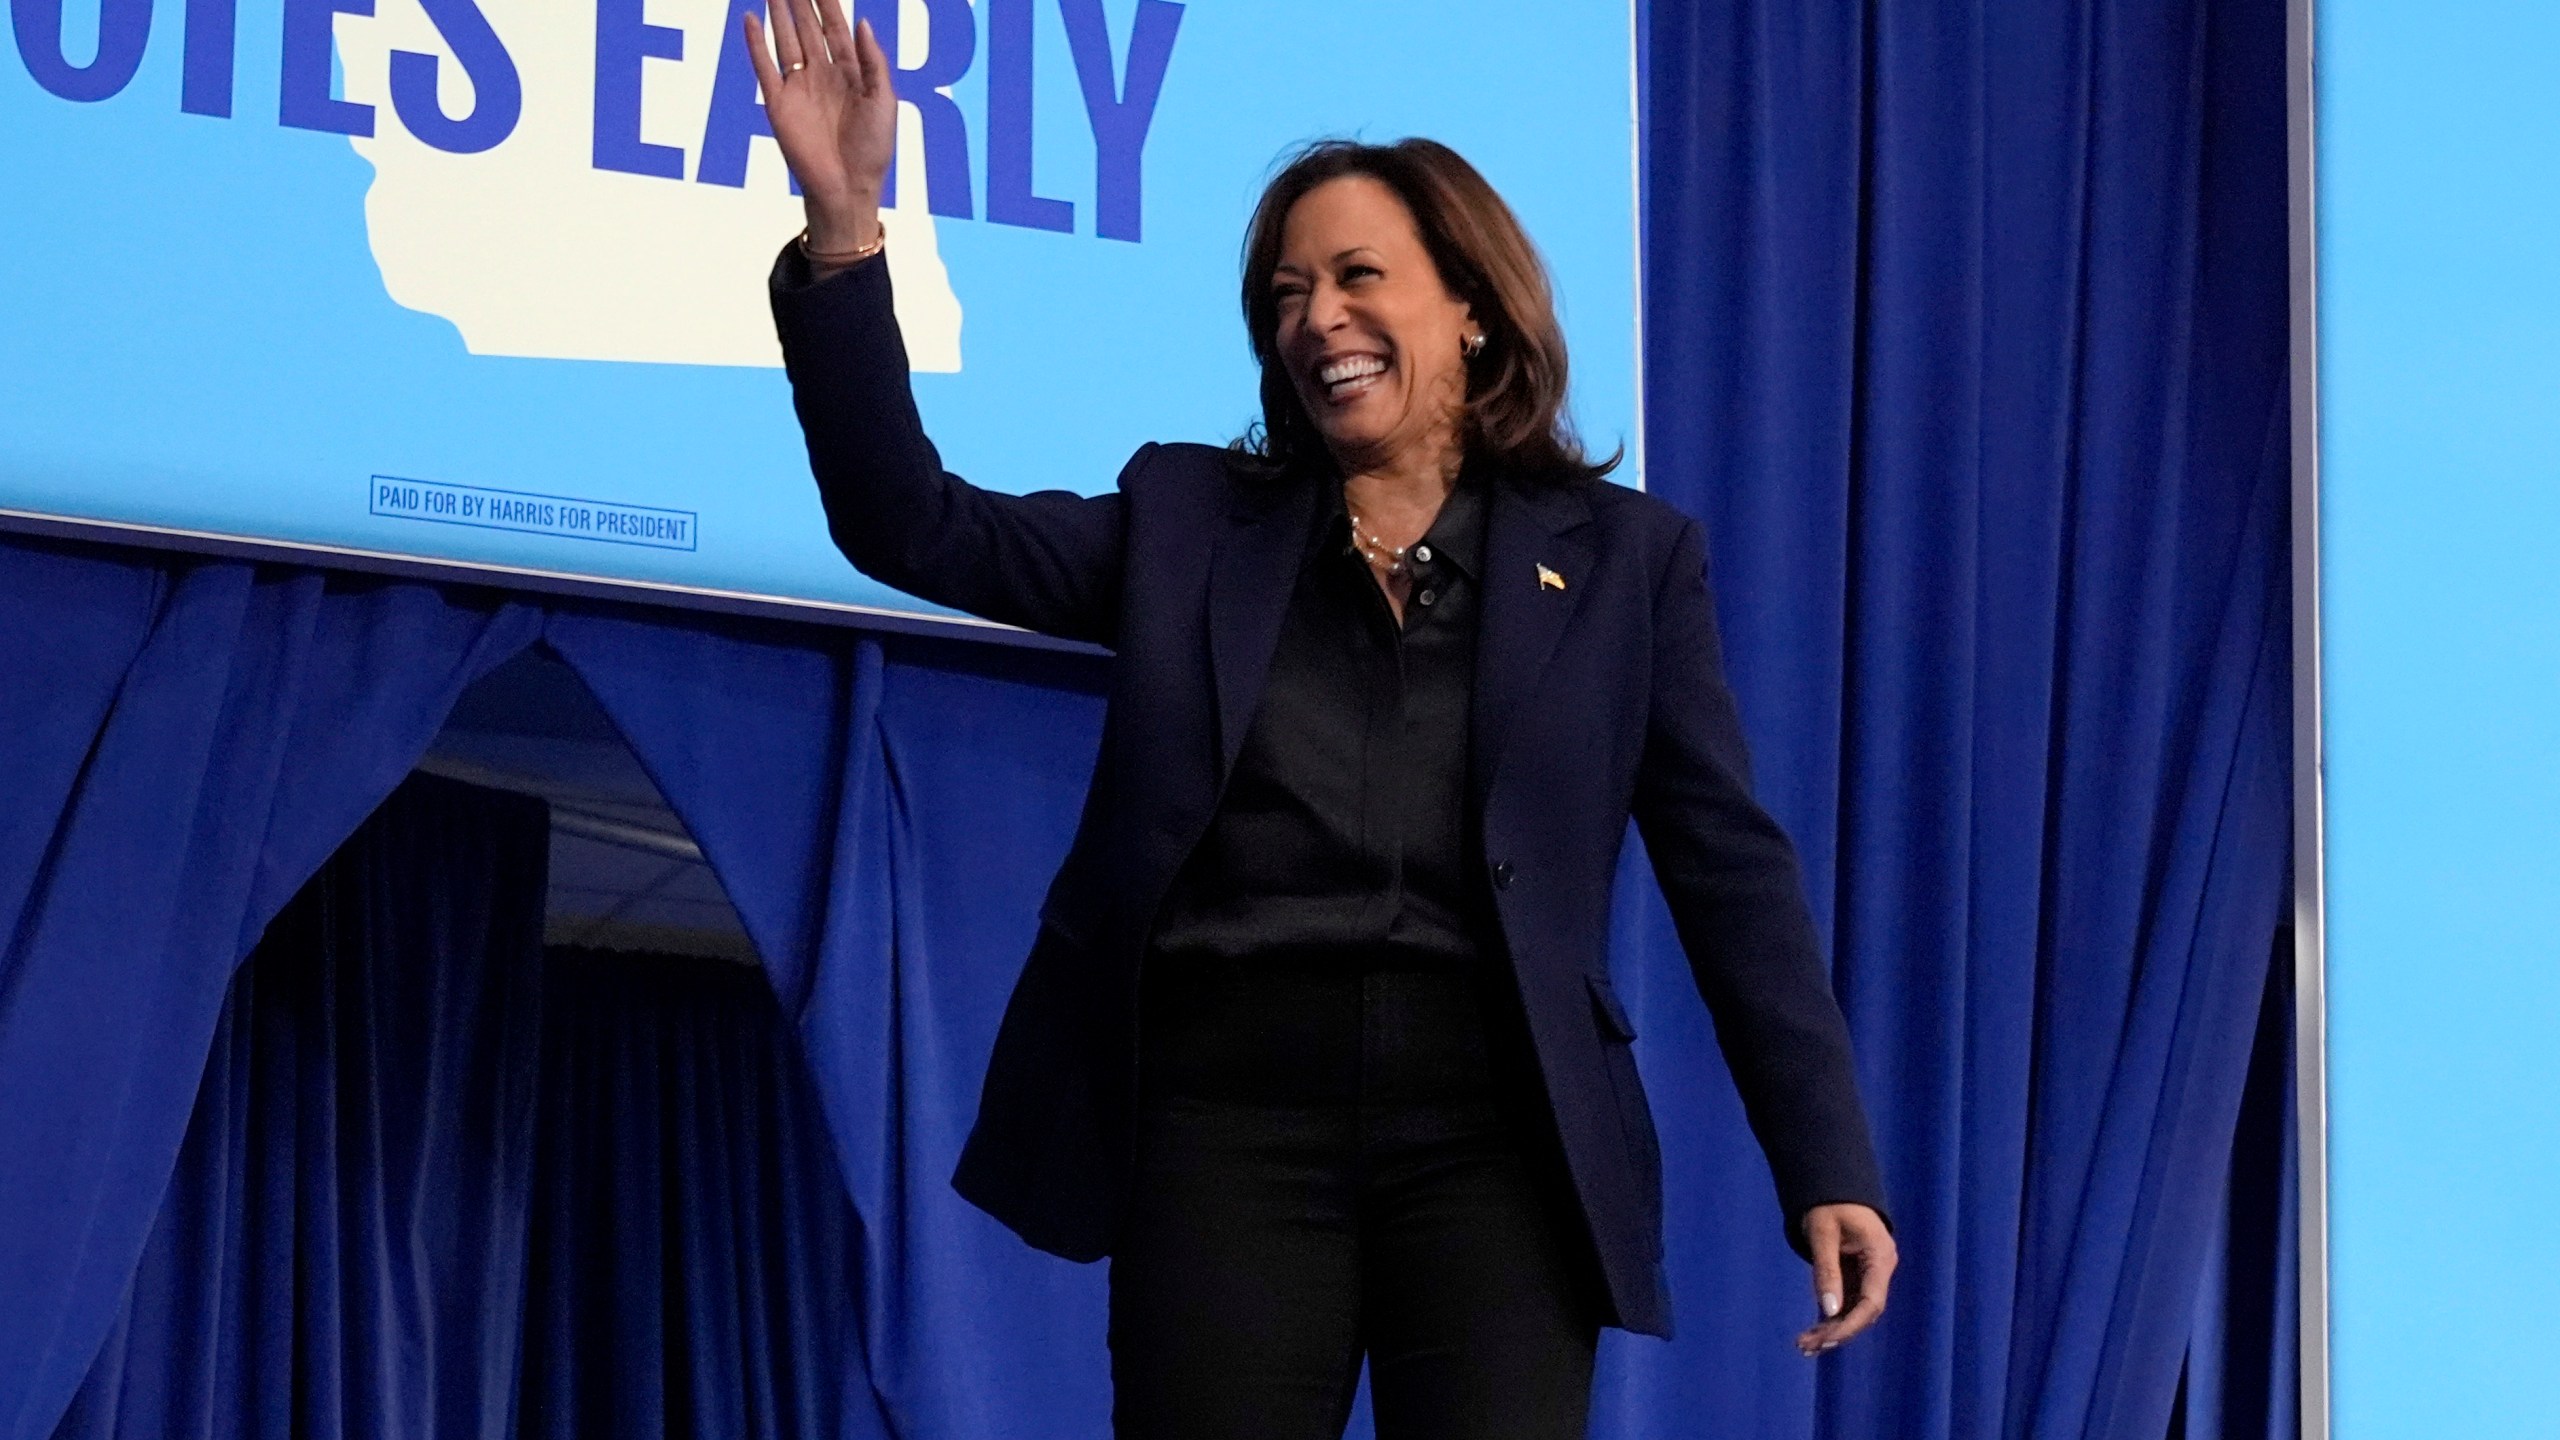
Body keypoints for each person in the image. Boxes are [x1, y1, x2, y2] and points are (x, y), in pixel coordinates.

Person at [743, 4, 1897, 1435]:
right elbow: (907, 524)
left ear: (1473, 306)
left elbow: (1733, 874)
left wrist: (1825, 1158)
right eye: (1288, 296)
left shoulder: (1622, 563)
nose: (1317, 320)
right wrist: (845, 232)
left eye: (1360, 277)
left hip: (1499, 1148)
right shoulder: (1187, 524)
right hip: (1228, 1136)